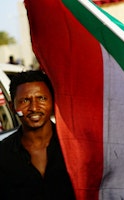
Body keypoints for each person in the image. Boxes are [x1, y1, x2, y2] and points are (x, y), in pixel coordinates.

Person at [0, 70, 75, 199]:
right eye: (24, 101)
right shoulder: (3, 153)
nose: (34, 108)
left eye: (41, 98)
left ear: (53, 101)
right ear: (12, 107)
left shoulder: (76, 147)